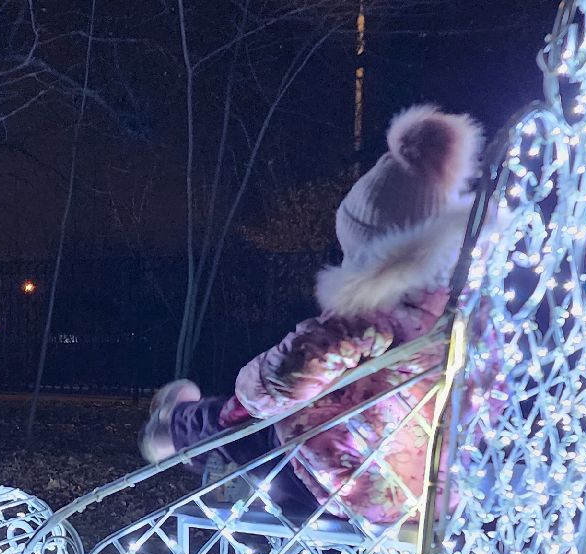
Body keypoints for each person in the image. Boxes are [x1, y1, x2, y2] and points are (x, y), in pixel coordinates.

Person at [139, 104, 483, 526]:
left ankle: (171, 428)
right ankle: (190, 431)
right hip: (428, 493)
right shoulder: (459, 322)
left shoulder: (368, 319)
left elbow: (285, 377)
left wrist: (247, 394)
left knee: (240, 425)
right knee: (275, 424)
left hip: (338, 481)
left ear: (374, 254)